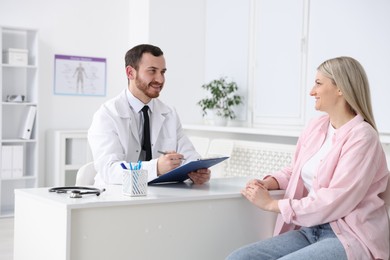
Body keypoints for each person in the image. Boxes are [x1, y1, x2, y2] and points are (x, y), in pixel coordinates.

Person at [226, 56, 389, 260]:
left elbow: (336, 199)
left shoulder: (363, 137)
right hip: (310, 229)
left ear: (341, 89)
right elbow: (296, 170)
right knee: (239, 258)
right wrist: (270, 182)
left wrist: (272, 205)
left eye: (319, 84)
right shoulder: (316, 126)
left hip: (349, 235)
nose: (312, 91)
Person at [88, 44, 210, 186]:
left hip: (159, 196)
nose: (160, 79)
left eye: (163, 72)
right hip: (115, 197)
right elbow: (109, 170)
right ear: (130, 73)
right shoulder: (107, 115)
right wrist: (156, 168)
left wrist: (198, 171)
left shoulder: (169, 114)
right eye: (152, 71)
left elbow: (188, 155)